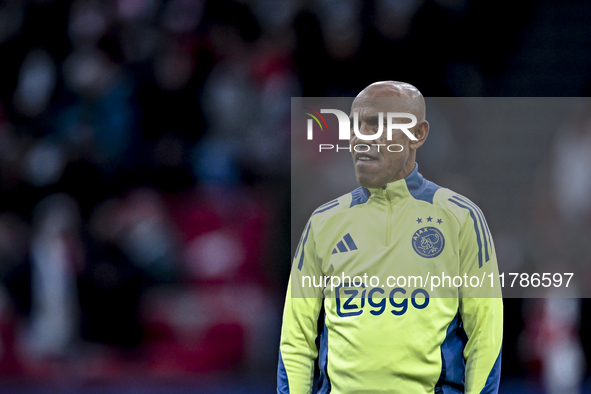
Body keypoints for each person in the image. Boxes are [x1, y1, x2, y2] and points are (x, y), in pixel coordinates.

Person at [277, 81, 503, 393]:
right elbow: (297, 340)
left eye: (377, 124)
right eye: (355, 126)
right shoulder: (323, 223)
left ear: (417, 134)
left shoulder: (460, 219)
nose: (360, 138)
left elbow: (485, 336)